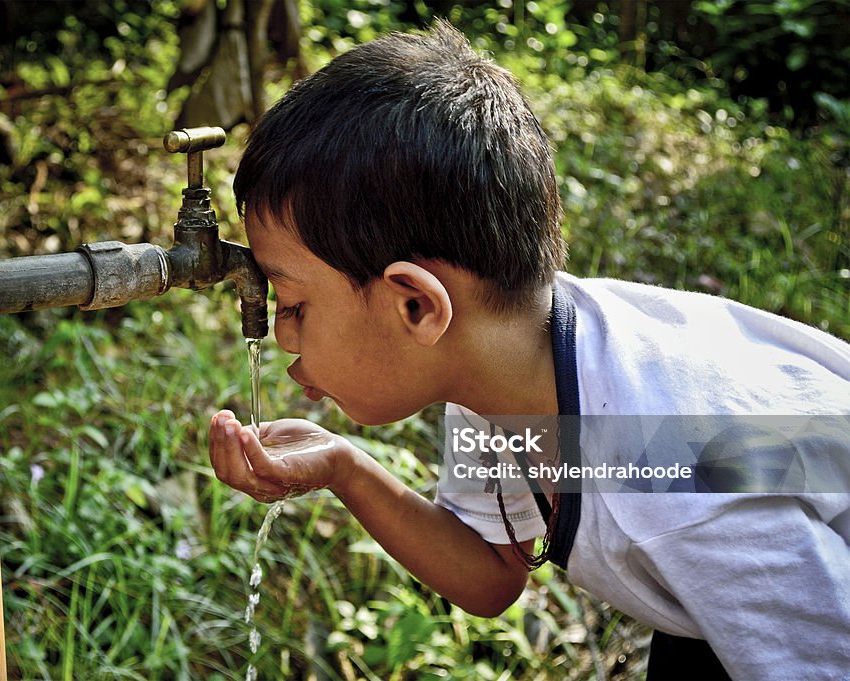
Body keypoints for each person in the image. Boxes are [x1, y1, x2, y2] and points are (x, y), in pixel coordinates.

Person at [207, 20, 850, 680]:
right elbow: (492, 575)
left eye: (294, 304)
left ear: (417, 305)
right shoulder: (504, 365)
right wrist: (345, 468)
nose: (282, 334)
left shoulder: (681, 476)